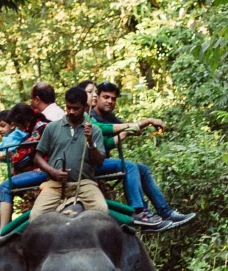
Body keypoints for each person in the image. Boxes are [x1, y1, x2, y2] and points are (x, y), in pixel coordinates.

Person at [92, 80, 194, 229]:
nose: (110, 101)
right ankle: (140, 212)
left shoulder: (109, 117)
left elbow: (130, 127)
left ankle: (165, 212)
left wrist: (137, 127)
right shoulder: (92, 117)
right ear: (97, 98)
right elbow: (108, 141)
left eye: (113, 99)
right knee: (130, 167)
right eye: (106, 97)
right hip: (93, 163)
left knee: (143, 169)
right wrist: (134, 128)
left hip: (103, 161)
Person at [27, 84, 109, 221]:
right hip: (54, 185)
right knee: (35, 217)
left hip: (84, 184)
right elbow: (37, 157)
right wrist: (53, 172)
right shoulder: (52, 128)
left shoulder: (94, 130)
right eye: (68, 107)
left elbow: (99, 162)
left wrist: (90, 142)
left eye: (76, 108)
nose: (71, 111)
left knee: (102, 211)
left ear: (85, 107)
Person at [0, 105, 46, 248]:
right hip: (39, 168)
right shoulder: (35, 128)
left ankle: (2, 233)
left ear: (24, 122)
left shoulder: (39, 129)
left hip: (44, 170)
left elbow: (20, 153)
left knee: (4, 187)